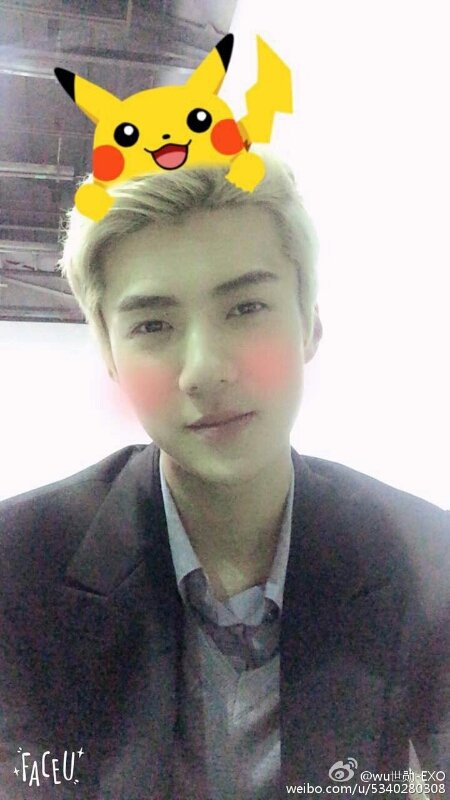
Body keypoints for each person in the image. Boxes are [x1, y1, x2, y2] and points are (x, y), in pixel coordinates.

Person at [0, 154, 448, 800]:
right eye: (153, 325)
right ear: (109, 354)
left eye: (245, 307)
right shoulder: (19, 572)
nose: (204, 370)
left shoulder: (426, 563)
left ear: (309, 324)